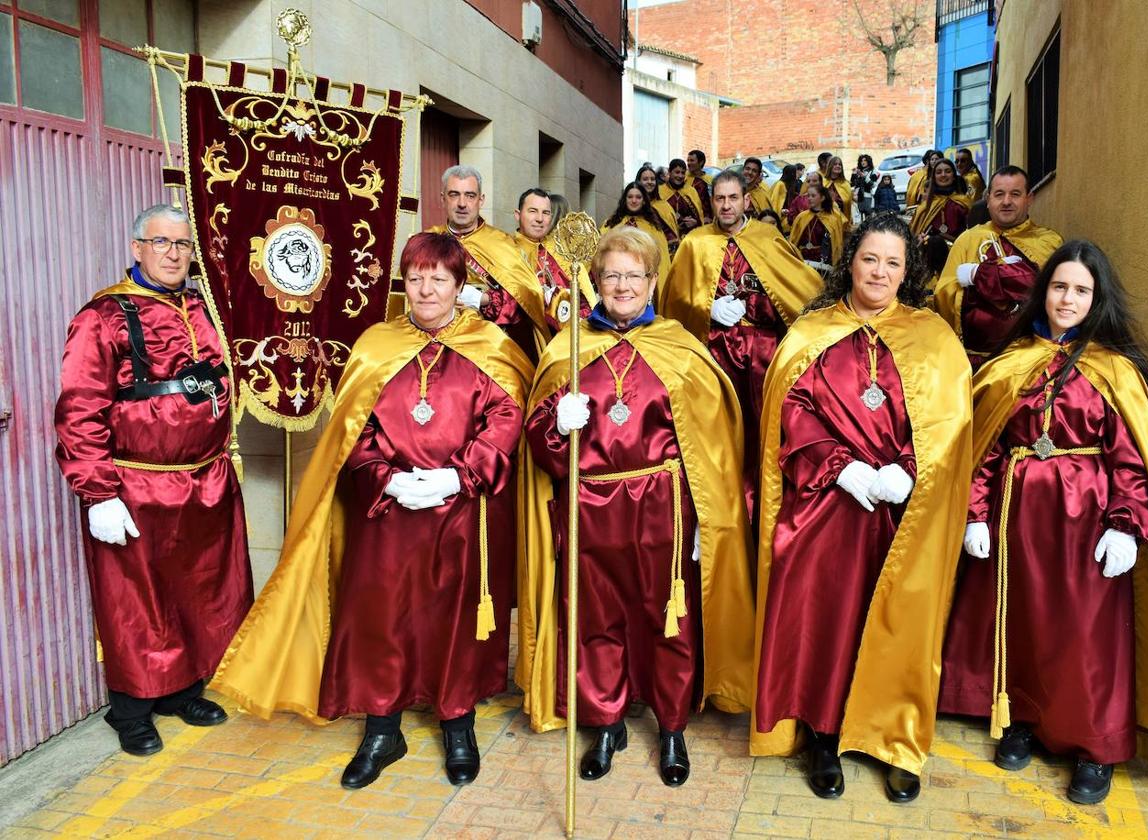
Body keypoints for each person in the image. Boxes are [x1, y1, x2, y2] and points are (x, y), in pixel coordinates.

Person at [212, 233, 533, 790]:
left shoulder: (492, 344)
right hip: (387, 513)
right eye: (416, 278)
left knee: (455, 618)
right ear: (404, 283)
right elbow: (351, 431)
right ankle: (383, 727)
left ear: (460, 287)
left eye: (439, 278)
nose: (427, 289)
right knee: (382, 617)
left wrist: (459, 475)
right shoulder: (376, 344)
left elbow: (507, 418)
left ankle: (457, 722)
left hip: (462, 514)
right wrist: (390, 479)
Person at [939, 240, 1148, 804]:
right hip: (1016, 518)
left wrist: (1127, 523)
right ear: (1042, 291)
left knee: (1085, 633)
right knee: (1023, 618)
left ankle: (1093, 746)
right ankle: (1022, 717)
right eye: (1059, 287)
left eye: (1081, 290)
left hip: (1088, 521)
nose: (1068, 299)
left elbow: (1130, 457)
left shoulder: (1115, 371)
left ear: (1096, 298)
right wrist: (975, 514)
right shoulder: (1012, 362)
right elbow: (987, 447)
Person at [517, 227, 755, 788]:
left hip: (663, 506)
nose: (622, 285)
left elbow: (713, 442)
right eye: (612, 275)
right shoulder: (568, 347)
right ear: (595, 282)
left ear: (653, 282)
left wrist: (706, 516)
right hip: (589, 502)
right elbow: (539, 445)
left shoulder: (679, 346)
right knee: (597, 617)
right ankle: (607, 719)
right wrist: (555, 423)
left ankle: (671, 726)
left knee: (666, 616)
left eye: (634, 275)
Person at [751, 213, 973, 803]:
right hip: (828, 507)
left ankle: (893, 739)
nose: (880, 271)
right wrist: (840, 468)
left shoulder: (933, 336)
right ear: (850, 260)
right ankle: (824, 736)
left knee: (900, 620)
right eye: (870, 258)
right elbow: (791, 410)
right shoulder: (812, 332)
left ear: (909, 271)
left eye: (893, 262)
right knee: (828, 621)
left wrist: (904, 467)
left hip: (906, 512)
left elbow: (948, 420)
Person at [54, 204, 251, 756]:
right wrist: (97, 494)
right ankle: (132, 709)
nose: (173, 253)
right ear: (136, 247)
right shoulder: (102, 316)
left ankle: (182, 691)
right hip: (136, 486)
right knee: (135, 601)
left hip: (205, 479)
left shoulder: (202, 306)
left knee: (196, 590)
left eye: (182, 245)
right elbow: (79, 409)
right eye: (161, 242)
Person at [659, 169, 822, 532]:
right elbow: (672, 302)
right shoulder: (695, 243)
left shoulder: (767, 237)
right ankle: (720, 508)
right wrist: (705, 308)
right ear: (711, 202)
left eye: (733, 198)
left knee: (768, 433)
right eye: (720, 199)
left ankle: (768, 508)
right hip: (715, 354)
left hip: (764, 353)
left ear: (746, 200)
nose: (727, 205)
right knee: (720, 432)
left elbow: (799, 289)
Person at [933, 165, 1064, 369]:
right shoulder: (968, 240)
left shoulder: (1049, 242)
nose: (1006, 202)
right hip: (976, 361)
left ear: (1029, 199)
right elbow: (944, 294)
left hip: (1032, 361)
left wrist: (985, 280)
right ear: (988, 199)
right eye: (999, 194)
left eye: (1015, 194)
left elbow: (1055, 296)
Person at [428, 165, 546, 362]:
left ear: (481, 200)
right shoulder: (427, 241)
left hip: (491, 350)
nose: (462, 203)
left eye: (470, 195)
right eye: (454, 195)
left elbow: (527, 297)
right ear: (443, 199)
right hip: (438, 347)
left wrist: (482, 299)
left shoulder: (503, 243)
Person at [512, 187, 598, 335]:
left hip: (566, 338)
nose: (539, 218)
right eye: (533, 211)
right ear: (517, 215)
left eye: (545, 213)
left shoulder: (563, 249)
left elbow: (587, 300)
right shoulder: (507, 249)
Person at [910, 158, 972, 275]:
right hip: (929, 261)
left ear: (954, 175)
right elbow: (914, 233)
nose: (943, 175)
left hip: (958, 258)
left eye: (947, 171)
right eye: (938, 172)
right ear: (934, 177)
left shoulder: (964, 203)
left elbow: (972, 232)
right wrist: (920, 238)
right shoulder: (924, 207)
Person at [600, 182, 672, 282]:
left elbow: (662, 261)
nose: (634, 200)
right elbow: (599, 250)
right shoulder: (611, 223)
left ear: (644, 201)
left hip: (642, 279)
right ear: (624, 200)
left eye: (638, 197)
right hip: (615, 277)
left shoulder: (653, 227)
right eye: (630, 197)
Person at [788, 183, 845, 274]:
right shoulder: (801, 217)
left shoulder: (833, 218)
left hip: (822, 263)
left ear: (822, 198)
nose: (809, 198)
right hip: (803, 260)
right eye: (808, 196)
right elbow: (794, 240)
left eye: (813, 196)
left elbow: (836, 243)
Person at [638, 164, 682, 254]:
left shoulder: (664, 206)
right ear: (639, 181)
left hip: (662, 255)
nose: (649, 182)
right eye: (645, 179)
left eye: (652, 179)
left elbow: (671, 234)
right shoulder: (633, 206)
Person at [657, 158, 706, 236]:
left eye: (683, 173)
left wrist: (695, 222)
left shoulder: (691, 191)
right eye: (677, 172)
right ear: (669, 172)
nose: (680, 176)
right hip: (666, 237)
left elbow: (700, 216)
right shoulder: (659, 191)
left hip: (688, 238)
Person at [768, 164, 800, 233]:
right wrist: (780, 212)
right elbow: (775, 203)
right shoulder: (780, 185)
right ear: (791, 174)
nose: (797, 175)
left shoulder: (788, 185)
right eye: (795, 173)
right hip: (781, 221)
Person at [822, 156, 854, 223]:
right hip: (826, 218)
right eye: (835, 164)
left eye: (840, 164)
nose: (838, 166)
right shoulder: (823, 182)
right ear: (830, 166)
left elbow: (848, 203)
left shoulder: (845, 184)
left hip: (842, 218)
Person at [686, 148, 714, 222]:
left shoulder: (710, 180)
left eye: (692, 160)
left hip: (705, 220)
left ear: (701, 162)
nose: (688, 163)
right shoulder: (683, 178)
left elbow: (712, 201)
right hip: (686, 218)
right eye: (688, 160)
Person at [851, 154, 879, 219]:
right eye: (861, 161)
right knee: (859, 218)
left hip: (867, 197)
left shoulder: (873, 171)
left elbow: (873, 184)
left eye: (865, 160)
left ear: (868, 161)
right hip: (858, 197)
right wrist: (854, 174)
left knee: (868, 217)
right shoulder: (859, 171)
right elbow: (852, 184)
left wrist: (864, 177)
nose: (863, 162)